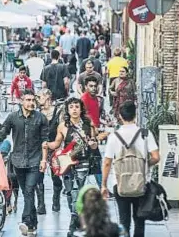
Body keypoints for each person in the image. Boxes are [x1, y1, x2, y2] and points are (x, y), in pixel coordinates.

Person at [0, 89, 49, 236]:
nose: (31, 103)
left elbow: (44, 141)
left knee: (29, 190)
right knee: (27, 193)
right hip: (18, 161)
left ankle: (26, 221)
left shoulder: (41, 118)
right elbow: (1, 135)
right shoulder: (13, 117)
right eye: (28, 100)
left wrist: (44, 160)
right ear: (21, 101)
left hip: (35, 160)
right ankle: (33, 225)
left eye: (33, 100)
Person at [101, 101, 160, 237]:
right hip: (142, 182)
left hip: (119, 183)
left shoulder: (114, 136)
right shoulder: (145, 134)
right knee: (139, 220)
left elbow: (107, 162)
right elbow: (156, 157)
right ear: (135, 115)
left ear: (120, 117)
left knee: (124, 219)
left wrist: (104, 185)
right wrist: (144, 165)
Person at [45, 97, 100, 237]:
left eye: (77, 106)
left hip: (83, 161)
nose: (74, 109)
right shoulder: (63, 126)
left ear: (81, 109)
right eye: (71, 107)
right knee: (70, 192)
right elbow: (57, 143)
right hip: (67, 162)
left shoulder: (88, 125)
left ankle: (72, 225)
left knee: (77, 190)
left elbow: (94, 141)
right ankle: (78, 218)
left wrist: (94, 144)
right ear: (67, 110)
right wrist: (47, 145)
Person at [36, 89, 64, 214]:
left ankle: (56, 199)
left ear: (47, 97)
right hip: (40, 147)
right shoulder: (37, 112)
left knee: (55, 175)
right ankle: (41, 203)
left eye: (40, 96)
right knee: (38, 176)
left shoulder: (58, 112)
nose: (38, 99)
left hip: (54, 146)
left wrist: (59, 146)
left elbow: (62, 129)